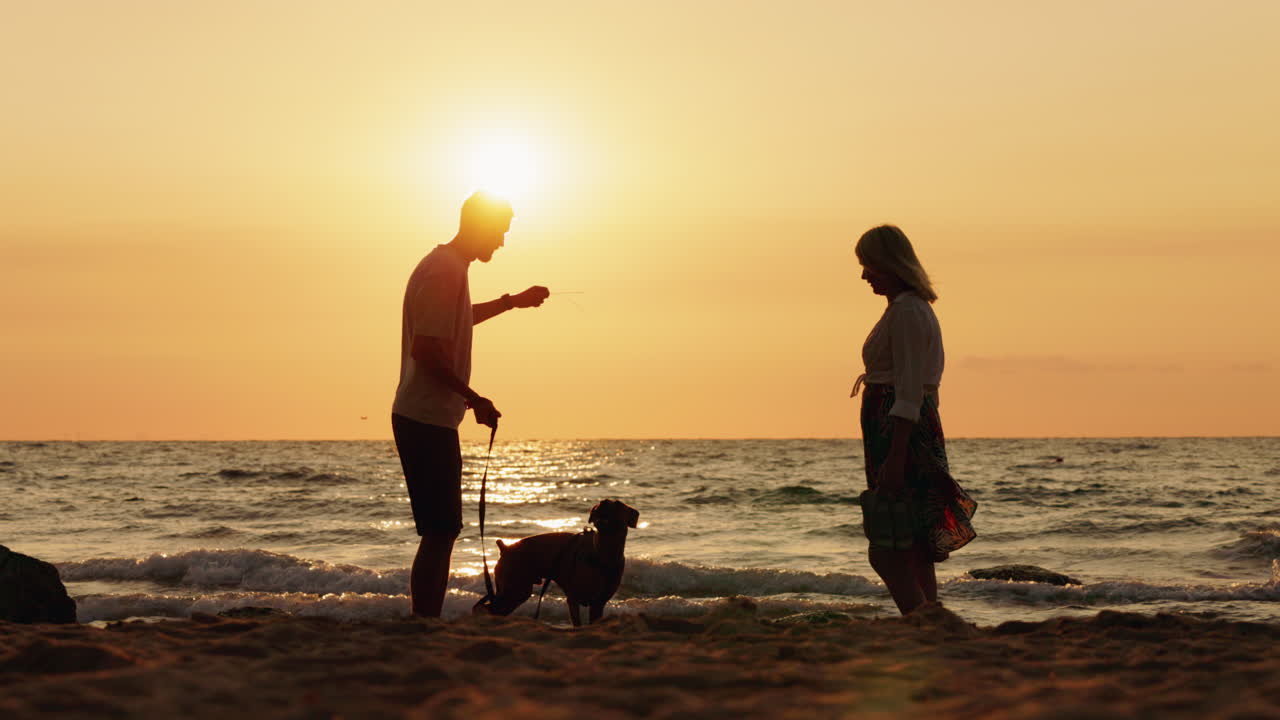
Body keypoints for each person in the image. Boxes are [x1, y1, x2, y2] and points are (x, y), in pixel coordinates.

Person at [391, 190, 550, 617]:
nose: (501, 242)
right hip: (424, 417)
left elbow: (455, 320)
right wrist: (473, 397)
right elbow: (426, 349)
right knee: (441, 531)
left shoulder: (449, 267)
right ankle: (425, 622)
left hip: (428, 417)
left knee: (441, 530)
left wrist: (510, 302)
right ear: (478, 226)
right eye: (499, 232)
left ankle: (425, 620)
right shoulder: (444, 270)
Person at [851, 224, 976, 615]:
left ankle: (918, 617)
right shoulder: (911, 309)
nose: (864, 275)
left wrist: (895, 455)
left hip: (898, 431)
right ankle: (931, 618)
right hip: (905, 427)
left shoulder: (907, 312)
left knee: (888, 545)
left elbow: (908, 392)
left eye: (870, 265)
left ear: (890, 264)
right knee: (912, 539)